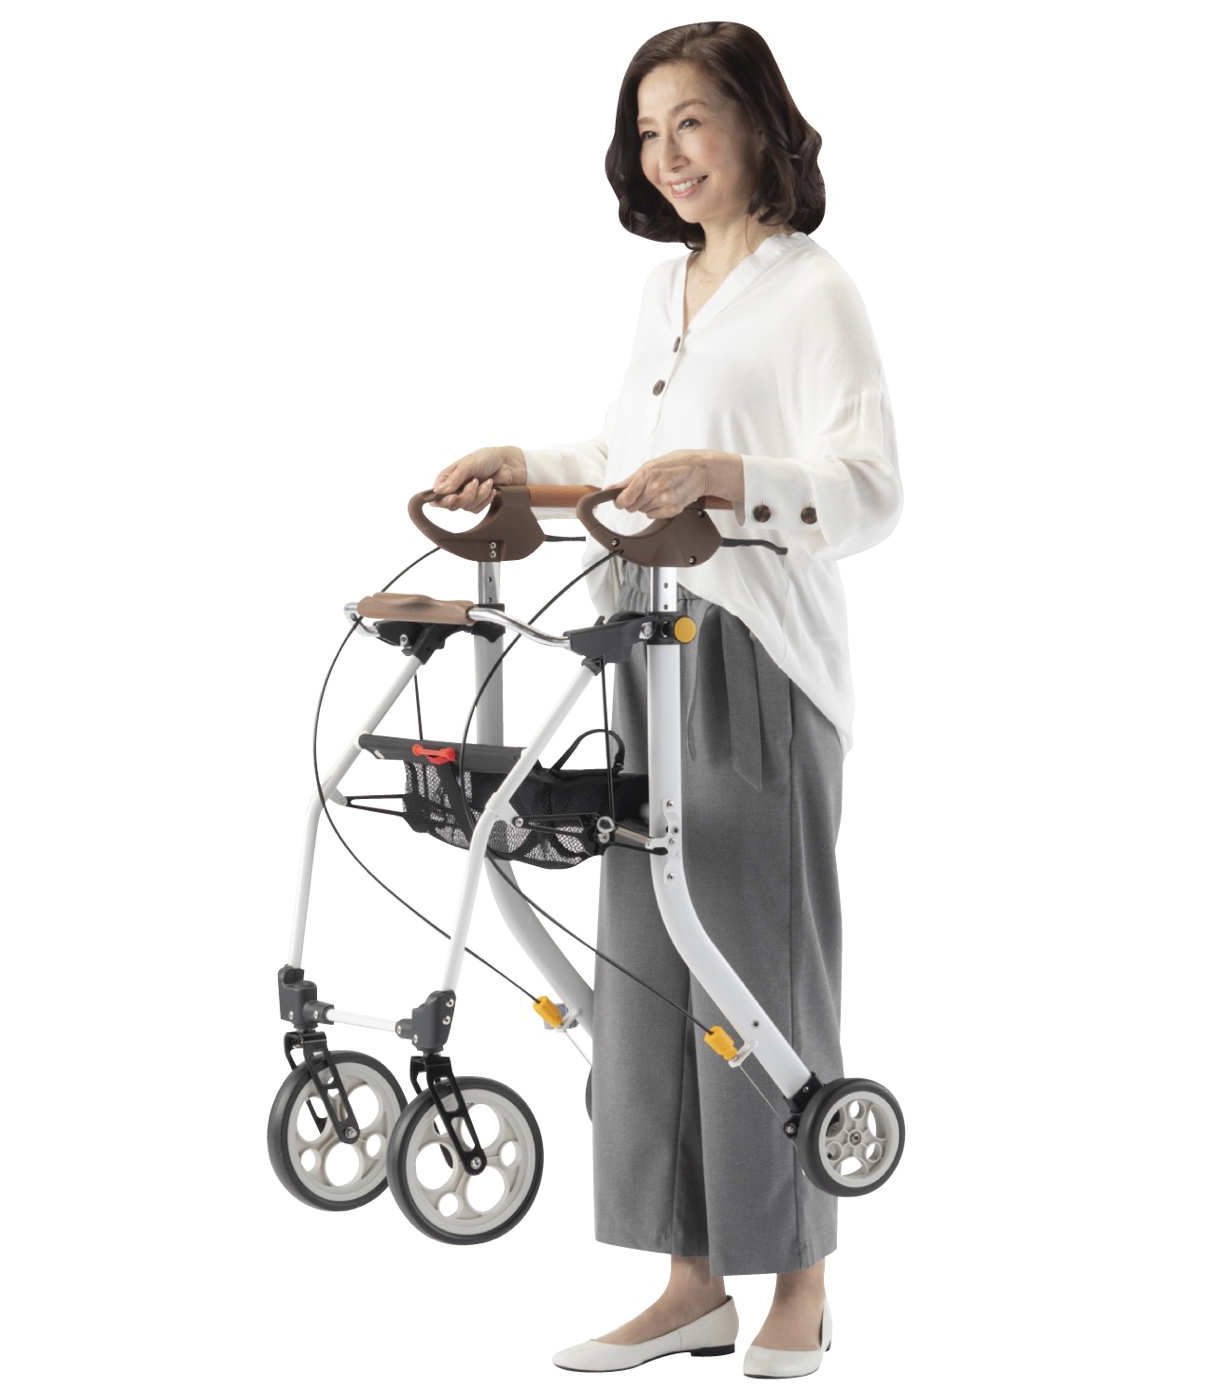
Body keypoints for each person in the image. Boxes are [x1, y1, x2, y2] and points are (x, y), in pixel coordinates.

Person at [430, 20, 900, 1380]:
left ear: (756, 123)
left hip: (753, 660)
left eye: (692, 120)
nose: (669, 153)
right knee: (650, 969)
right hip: (638, 645)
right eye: (649, 132)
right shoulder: (664, 290)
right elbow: (626, 456)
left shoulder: (813, 291)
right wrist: (522, 465)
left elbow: (871, 493)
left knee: (758, 961)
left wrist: (728, 481)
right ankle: (691, 1282)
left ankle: (800, 1277)